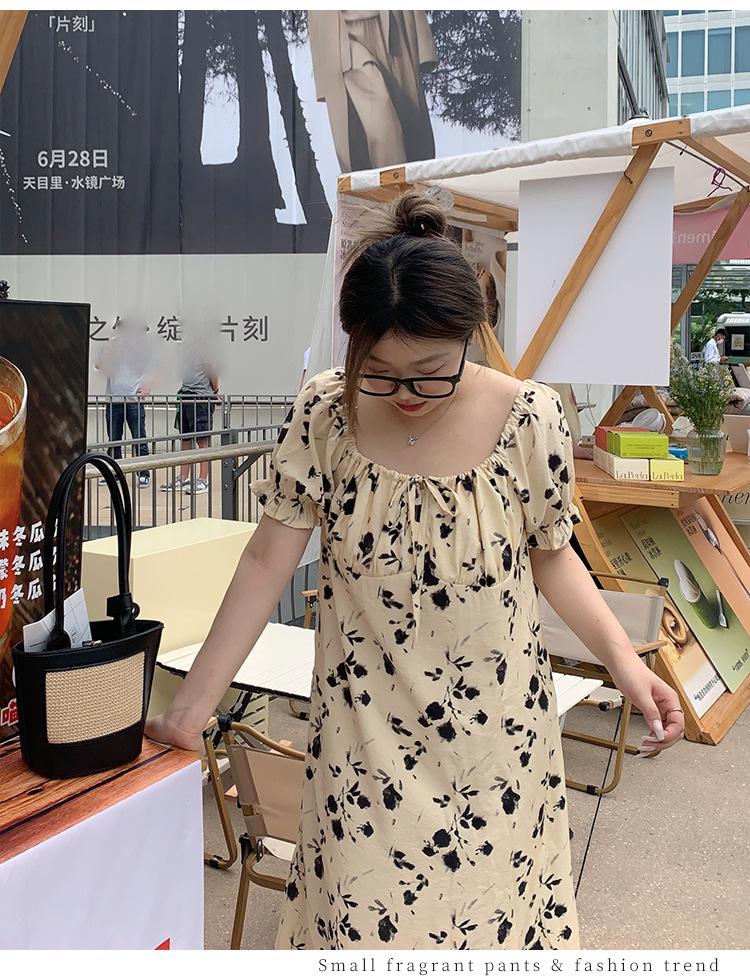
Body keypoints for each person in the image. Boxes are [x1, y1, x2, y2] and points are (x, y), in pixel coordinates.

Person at [146, 191, 685, 950]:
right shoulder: (325, 413)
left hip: (499, 746)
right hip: (362, 749)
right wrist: (191, 708)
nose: (404, 396)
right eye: (380, 373)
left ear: (471, 336)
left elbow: (553, 558)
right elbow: (267, 559)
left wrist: (626, 666)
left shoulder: (529, 418)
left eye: (431, 373)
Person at [308, 10, 437, 173]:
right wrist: (323, 80)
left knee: (410, 125)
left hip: (392, 24)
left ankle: (405, 183)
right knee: (382, 122)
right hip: (343, 36)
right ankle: (394, 184)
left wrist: (424, 45)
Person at [94, 319, 151, 487]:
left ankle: (143, 473)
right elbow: (99, 365)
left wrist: (147, 388)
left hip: (134, 401)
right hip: (114, 401)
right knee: (114, 440)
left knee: (139, 437)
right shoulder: (111, 346)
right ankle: (114, 473)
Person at [162, 342, 219, 496]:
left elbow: (213, 372)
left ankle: (203, 479)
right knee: (185, 440)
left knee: (202, 440)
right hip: (186, 396)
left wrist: (215, 391)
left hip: (200, 398)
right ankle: (183, 477)